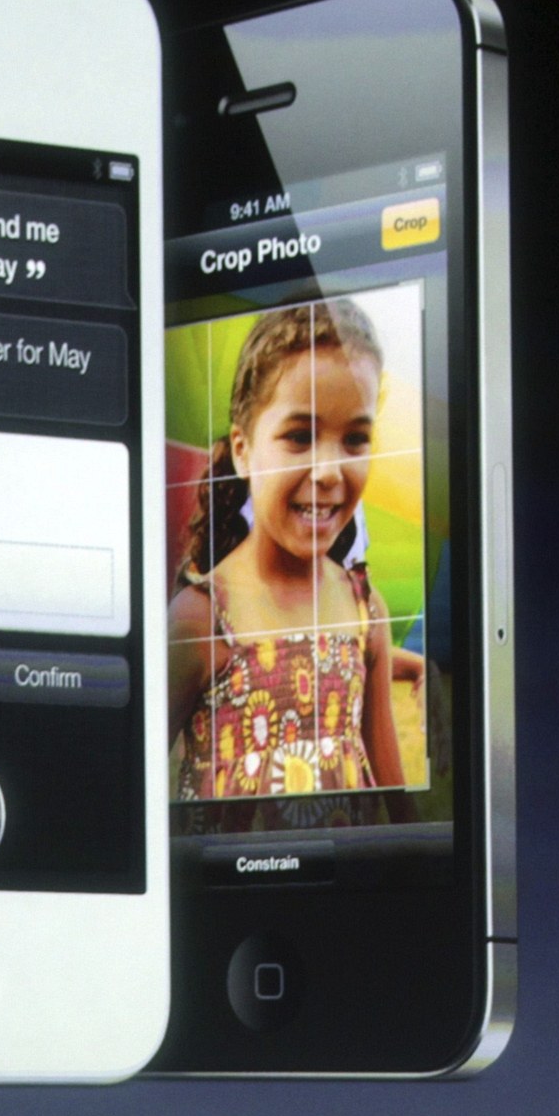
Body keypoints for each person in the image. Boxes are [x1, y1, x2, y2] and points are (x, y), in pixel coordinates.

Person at [169, 300, 407, 804]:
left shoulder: (367, 612)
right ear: (243, 450)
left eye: (355, 438)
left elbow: (397, 800)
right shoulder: (201, 619)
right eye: (300, 437)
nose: (329, 471)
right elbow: (134, 788)